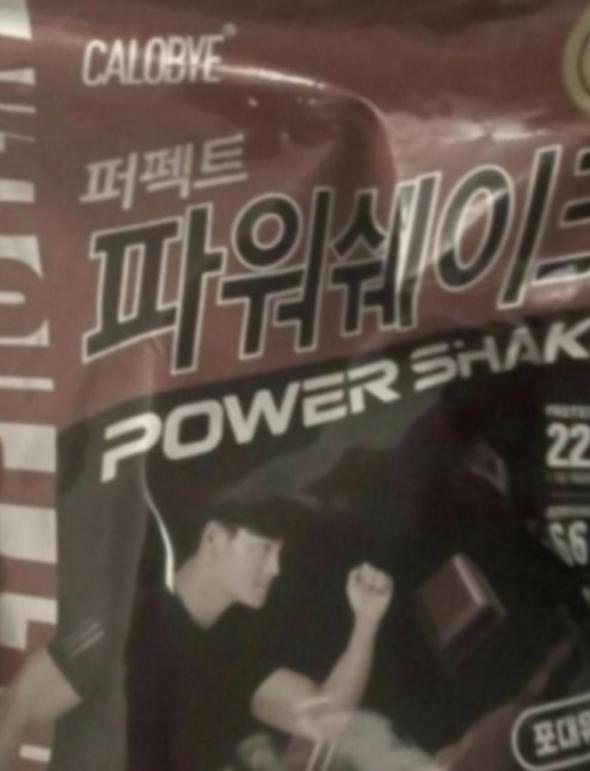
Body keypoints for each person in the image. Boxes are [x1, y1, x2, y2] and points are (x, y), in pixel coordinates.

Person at [0, 496, 393, 771]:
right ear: (214, 539)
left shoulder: (236, 647)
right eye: (264, 548)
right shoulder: (124, 620)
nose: (275, 567)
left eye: (280, 552)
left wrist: (366, 622)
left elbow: (323, 719)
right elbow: (18, 705)